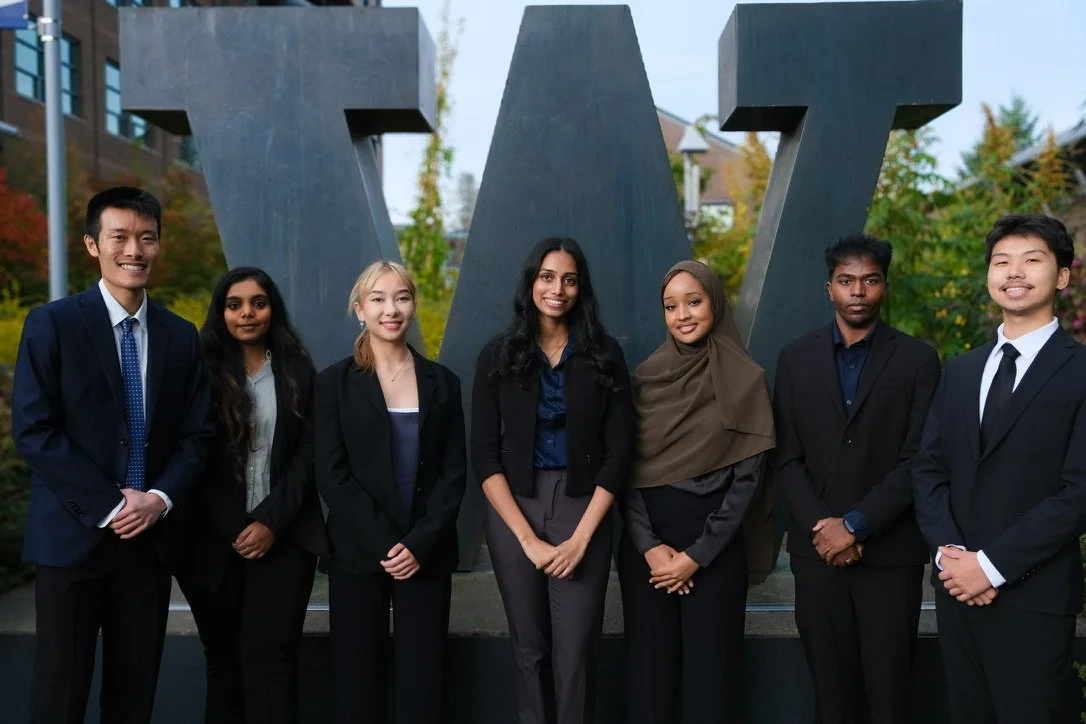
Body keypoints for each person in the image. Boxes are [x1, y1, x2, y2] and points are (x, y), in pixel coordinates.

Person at [11, 186, 214, 723]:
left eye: (147, 238)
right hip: (71, 539)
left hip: (148, 547)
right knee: (59, 693)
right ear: (92, 245)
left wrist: (159, 500)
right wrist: (110, 504)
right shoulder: (51, 324)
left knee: (133, 696)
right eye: (119, 236)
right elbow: (34, 430)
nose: (135, 249)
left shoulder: (179, 336)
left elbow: (199, 435)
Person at [913, 214, 1086, 724]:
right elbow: (929, 469)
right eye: (1002, 261)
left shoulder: (1080, 371)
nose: (1015, 272)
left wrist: (990, 566)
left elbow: (1078, 493)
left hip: (1033, 598)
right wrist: (951, 556)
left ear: (1062, 276)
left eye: (1032, 260)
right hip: (957, 595)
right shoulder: (963, 369)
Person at [774, 233, 941, 724]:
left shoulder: (917, 360)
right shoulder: (795, 358)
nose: (858, 292)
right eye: (847, 281)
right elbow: (786, 456)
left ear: (884, 286)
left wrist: (856, 524)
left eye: (869, 281)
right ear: (830, 288)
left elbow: (920, 459)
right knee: (831, 697)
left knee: (890, 696)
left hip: (889, 556)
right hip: (816, 553)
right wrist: (824, 528)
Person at [471, 236, 634, 724]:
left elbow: (621, 451)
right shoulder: (498, 355)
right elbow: (483, 454)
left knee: (576, 653)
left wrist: (582, 537)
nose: (557, 288)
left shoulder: (605, 355)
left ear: (580, 288)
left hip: (585, 507)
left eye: (568, 278)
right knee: (530, 649)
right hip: (513, 509)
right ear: (531, 282)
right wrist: (527, 539)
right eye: (547, 276)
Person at [618, 260, 775, 724]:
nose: (682, 314)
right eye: (671, 306)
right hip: (648, 552)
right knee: (649, 681)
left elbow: (749, 479)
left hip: (716, 551)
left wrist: (696, 556)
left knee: (712, 683)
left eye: (694, 301)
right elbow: (623, 474)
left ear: (715, 304)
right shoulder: (644, 381)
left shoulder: (747, 380)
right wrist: (650, 549)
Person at [174, 267, 327, 724]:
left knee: (274, 660)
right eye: (235, 304)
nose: (247, 313)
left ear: (272, 308)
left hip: (285, 537)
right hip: (211, 541)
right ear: (221, 311)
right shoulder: (197, 369)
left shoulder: (298, 368)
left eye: (257, 303)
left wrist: (270, 522)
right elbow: (191, 452)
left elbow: (309, 452)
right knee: (224, 662)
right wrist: (236, 526)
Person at [316, 260, 466, 724]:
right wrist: (387, 544)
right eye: (378, 299)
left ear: (414, 306)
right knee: (357, 680)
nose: (391, 309)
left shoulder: (443, 382)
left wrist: (417, 543)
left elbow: (453, 474)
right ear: (359, 309)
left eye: (401, 297)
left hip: (426, 552)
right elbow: (332, 475)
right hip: (360, 552)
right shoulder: (333, 383)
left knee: (422, 681)